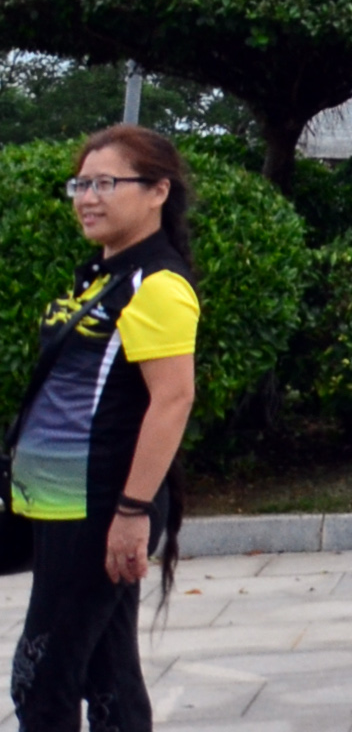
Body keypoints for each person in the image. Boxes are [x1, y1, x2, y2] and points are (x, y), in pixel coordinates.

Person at [7, 124, 201, 731]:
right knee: (108, 677)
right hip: (57, 498)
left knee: (41, 680)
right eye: (81, 183)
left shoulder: (158, 286)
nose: (88, 197)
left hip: (98, 505)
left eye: (106, 183)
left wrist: (132, 510)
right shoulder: (101, 276)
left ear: (156, 192)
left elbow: (173, 400)